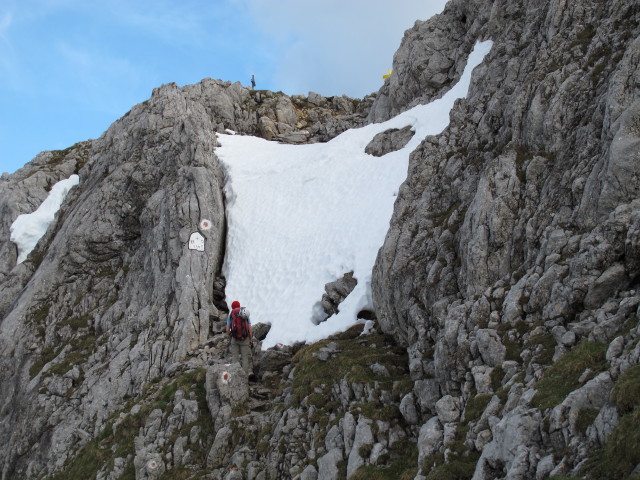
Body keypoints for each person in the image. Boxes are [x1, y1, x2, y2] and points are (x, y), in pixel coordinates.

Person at [226, 300, 253, 375]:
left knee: (235, 357)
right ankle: (244, 377)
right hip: (245, 338)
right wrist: (250, 338)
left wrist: (229, 337)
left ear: (232, 307)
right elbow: (250, 328)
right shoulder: (244, 313)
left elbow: (227, 329)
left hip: (234, 339)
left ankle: (235, 376)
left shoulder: (231, 315)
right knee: (244, 357)